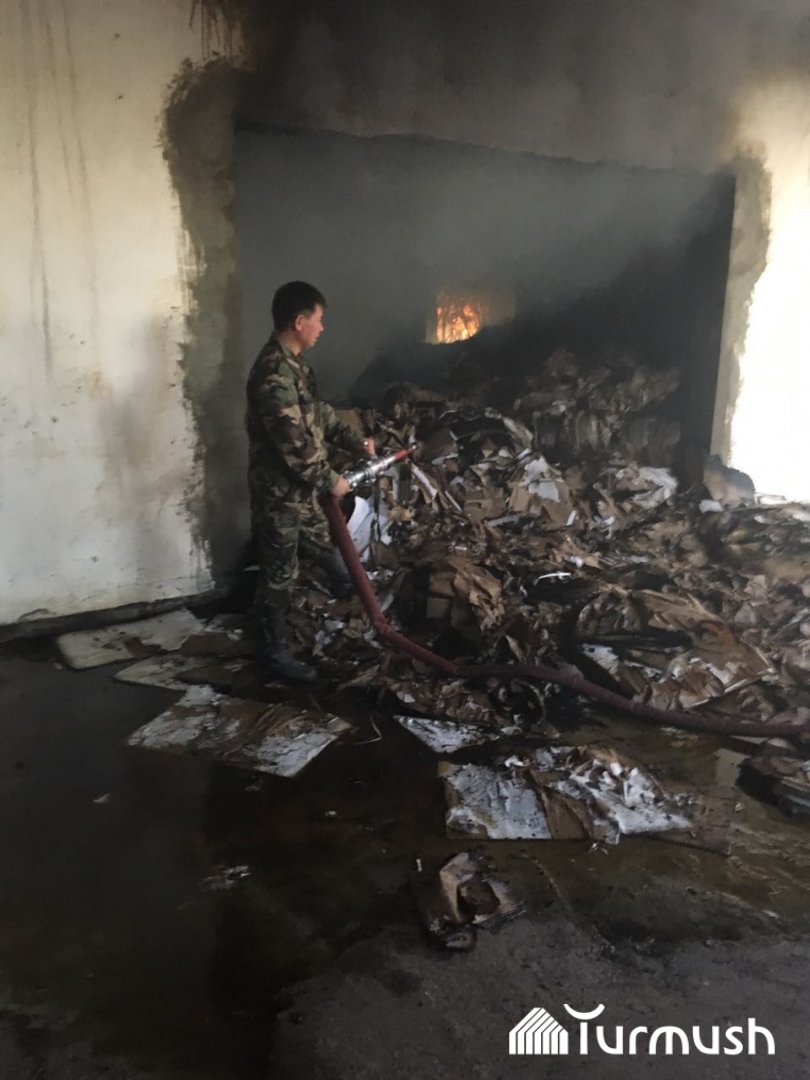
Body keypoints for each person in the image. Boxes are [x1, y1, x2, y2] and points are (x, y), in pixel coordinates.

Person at [245, 281, 374, 682]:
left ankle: (355, 598)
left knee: (324, 544)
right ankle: (273, 654)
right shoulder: (274, 375)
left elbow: (320, 416)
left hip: (300, 493)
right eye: (319, 320)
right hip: (279, 495)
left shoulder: (297, 367)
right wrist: (331, 479)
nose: (323, 327)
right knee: (278, 575)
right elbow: (294, 443)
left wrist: (354, 441)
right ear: (299, 322)